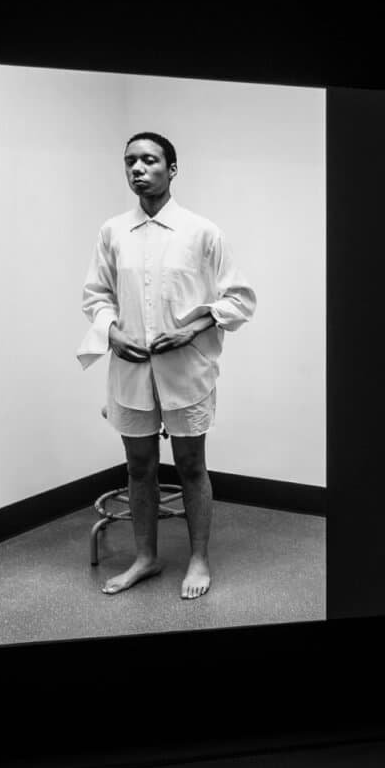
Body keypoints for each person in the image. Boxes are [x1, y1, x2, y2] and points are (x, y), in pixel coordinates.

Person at [77, 132, 256, 599]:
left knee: (191, 464)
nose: (138, 169)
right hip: (131, 370)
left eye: (149, 160)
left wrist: (191, 328)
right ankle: (146, 558)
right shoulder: (113, 232)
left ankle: (199, 559)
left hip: (186, 372)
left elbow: (239, 299)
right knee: (139, 467)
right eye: (130, 161)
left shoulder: (202, 232)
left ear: (171, 169)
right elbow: (95, 296)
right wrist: (111, 332)